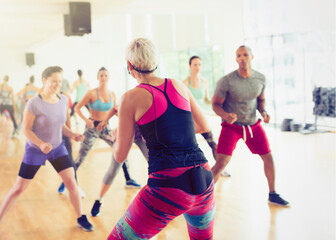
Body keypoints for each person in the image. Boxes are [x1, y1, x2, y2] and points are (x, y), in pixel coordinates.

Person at [108, 38, 215, 239]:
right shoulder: (178, 85)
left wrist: (116, 135)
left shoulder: (130, 98)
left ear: (130, 66)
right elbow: (203, 126)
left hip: (168, 187)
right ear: (155, 61)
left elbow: (121, 155)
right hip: (204, 180)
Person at [0, 66, 93, 231]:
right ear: (44, 81)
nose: (58, 84)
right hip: (35, 150)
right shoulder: (34, 103)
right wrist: (41, 144)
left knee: (72, 183)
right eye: (54, 81)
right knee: (18, 189)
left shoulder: (63, 99)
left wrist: (72, 134)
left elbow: (60, 124)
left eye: (59, 81)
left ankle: (80, 217)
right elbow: (26, 129)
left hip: (57, 148)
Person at [211, 45, 289, 207]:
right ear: (236, 59)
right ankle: (202, 198)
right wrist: (226, 116)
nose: (242, 58)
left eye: (245, 55)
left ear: (252, 57)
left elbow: (260, 100)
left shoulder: (260, 79)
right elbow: (216, 104)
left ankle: (273, 194)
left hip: (253, 125)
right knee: (221, 163)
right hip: (231, 127)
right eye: (238, 55)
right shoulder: (226, 81)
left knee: (268, 157)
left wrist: (264, 112)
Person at [57, 67, 141, 196]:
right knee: (81, 157)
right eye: (101, 75)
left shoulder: (112, 94)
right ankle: (66, 183)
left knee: (120, 150)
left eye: (106, 75)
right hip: (92, 128)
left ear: (108, 78)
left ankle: (128, 179)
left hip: (105, 127)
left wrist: (121, 125)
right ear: (98, 78)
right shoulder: (91, 93)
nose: (103, 78)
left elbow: (116, 111)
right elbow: (77, 107)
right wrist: (86, 120)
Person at [90, 109, 149, 217]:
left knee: (157, 167)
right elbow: (115, 109)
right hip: (125, 134)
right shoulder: (132, 97)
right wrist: (105, 121)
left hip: (142, 135)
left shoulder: (156, 99)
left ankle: (162, 202)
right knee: (113, 170)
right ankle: (99, 199)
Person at [183, 56, 230, 177]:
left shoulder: (204, 81)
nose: (197, 67)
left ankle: (221, 169)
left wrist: (218, 103)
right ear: (190, 66)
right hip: (189, 119)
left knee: (212, 142)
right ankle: (185, 172)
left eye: (199, 64)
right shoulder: (185, 82)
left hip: (201, 118)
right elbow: (182, 101)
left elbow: (207, 100)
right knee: (187, 146)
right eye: (195, 65)